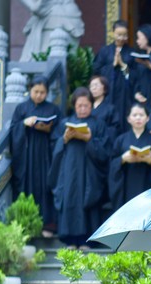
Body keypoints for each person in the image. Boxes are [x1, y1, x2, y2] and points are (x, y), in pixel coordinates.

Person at [49, 87, 112, 248]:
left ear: (91, 105)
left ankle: (87, 241)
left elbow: (105, 151)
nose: (83, 109)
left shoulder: (98, 124)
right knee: (70, 198)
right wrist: (64, 139)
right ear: (74, 106)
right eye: (79, 106)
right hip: (68, 171)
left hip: (90, 172)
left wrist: (89, 139)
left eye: (86, 106)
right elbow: (54, 146)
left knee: (88, 200)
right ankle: (70, 240)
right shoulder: (64, 124)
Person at [10, 76, 60, 237]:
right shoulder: (21, 108)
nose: (39, 95)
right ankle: (27, 225)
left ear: (47, 92)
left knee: (46, 186)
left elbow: (59, 131)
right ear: (30, 90)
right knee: (27, 186)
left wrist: (48, 129)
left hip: (46, 154)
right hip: (27, 155)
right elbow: (13, 130)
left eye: (42, 92)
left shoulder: (53, 109)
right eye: (36, 91)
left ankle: (48, 225)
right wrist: (24, 124)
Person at [109, 103, 151, 208]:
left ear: (147, 118)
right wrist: (123, 159)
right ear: (128, 119)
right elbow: (112, 164)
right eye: (134, 115)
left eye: (141, 115)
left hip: (148, 185)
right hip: (127, 185)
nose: (138, 118)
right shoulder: (121, 140)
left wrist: (150, 161)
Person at [91, 20, 141, 127]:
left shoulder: (131, 52)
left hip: (125, 93)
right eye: (119, 35)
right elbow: (96, 70)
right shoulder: (104, 51)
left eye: (124, 35)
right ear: (113, 33)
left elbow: (136, 75)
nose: (121, 38)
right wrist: (112, 65)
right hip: (108, 92)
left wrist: (123, 65)